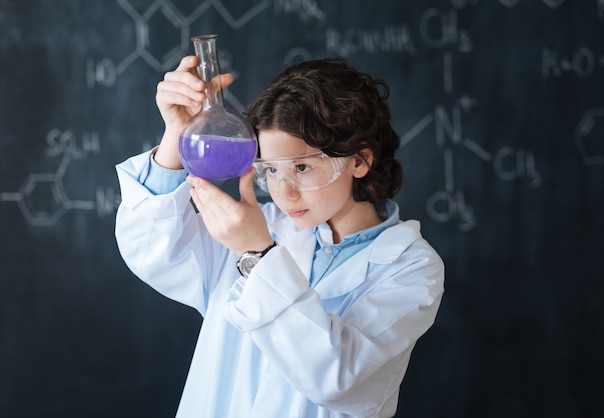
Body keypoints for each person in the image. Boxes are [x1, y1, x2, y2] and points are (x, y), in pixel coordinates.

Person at [115, 54, 444, 418]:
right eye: (269, 170)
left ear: (359, 161)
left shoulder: (412, 268)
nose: (282, 192)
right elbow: (153, 249)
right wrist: (176, 135)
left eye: (301, 167)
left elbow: (335, 379)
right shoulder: (261, 225)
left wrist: (258, 253)